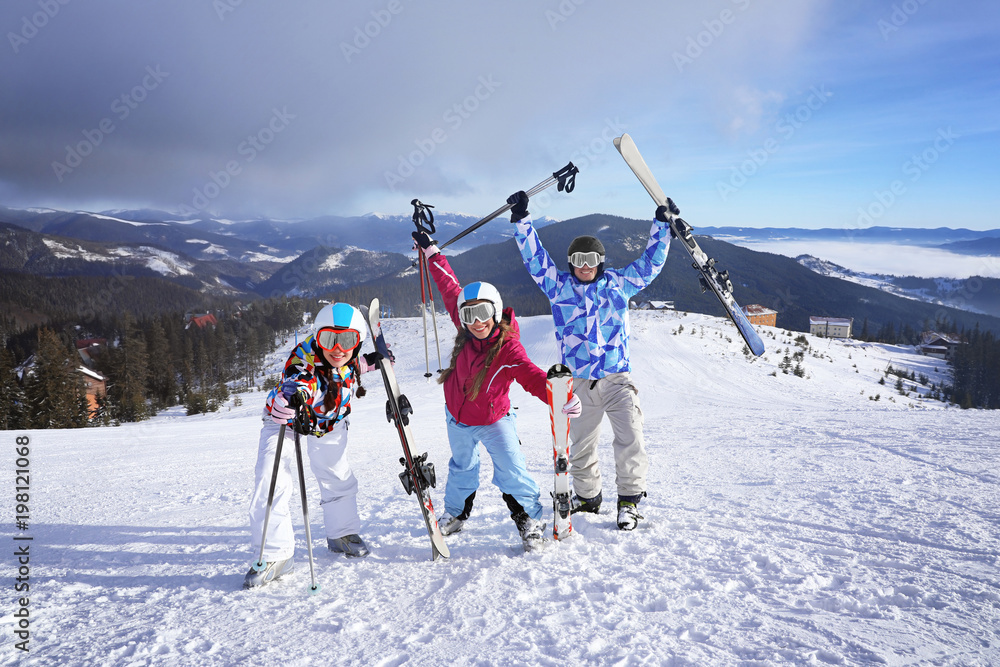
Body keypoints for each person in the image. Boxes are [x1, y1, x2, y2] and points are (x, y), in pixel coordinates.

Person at [508, 190, 677, 531]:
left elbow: (650, 264)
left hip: (617, 379)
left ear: (601, 261)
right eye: (578, 260)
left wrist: (661, 225)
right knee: (581, 447)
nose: (584, 267)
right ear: (571, 263)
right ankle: (588, 497)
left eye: (591, 260)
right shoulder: (558, 288)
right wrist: (522, 221)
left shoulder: (618, 284)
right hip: (578, 383)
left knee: (631, 436)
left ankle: (629, 502)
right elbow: (536, 260)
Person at [412, 231, 582, 552]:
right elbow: (449, 286)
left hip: (494, 419)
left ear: (496, 311)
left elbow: (531, 376)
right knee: (462, 467)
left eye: (483, 314)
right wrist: (431, 251)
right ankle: (456, 514)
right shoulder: (465, 328)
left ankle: (530, 519)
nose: (477, 322)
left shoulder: (508, 348)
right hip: (457, 418)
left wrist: (557, 395)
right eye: (468, 314)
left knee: (512, 469)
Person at [244, 302, 378, 588]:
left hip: (329, 422)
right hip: (288, 419)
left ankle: (342, 533)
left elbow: (351, 366)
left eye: (347, 340)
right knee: (272, 478)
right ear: (317, 337)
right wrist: (287, 398)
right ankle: (275, 555)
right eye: (329, 338)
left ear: (358, 342)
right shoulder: (302, 363)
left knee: (337, 475)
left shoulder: (347, 357)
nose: (338, 348)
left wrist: (370, 362)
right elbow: (297, 380)